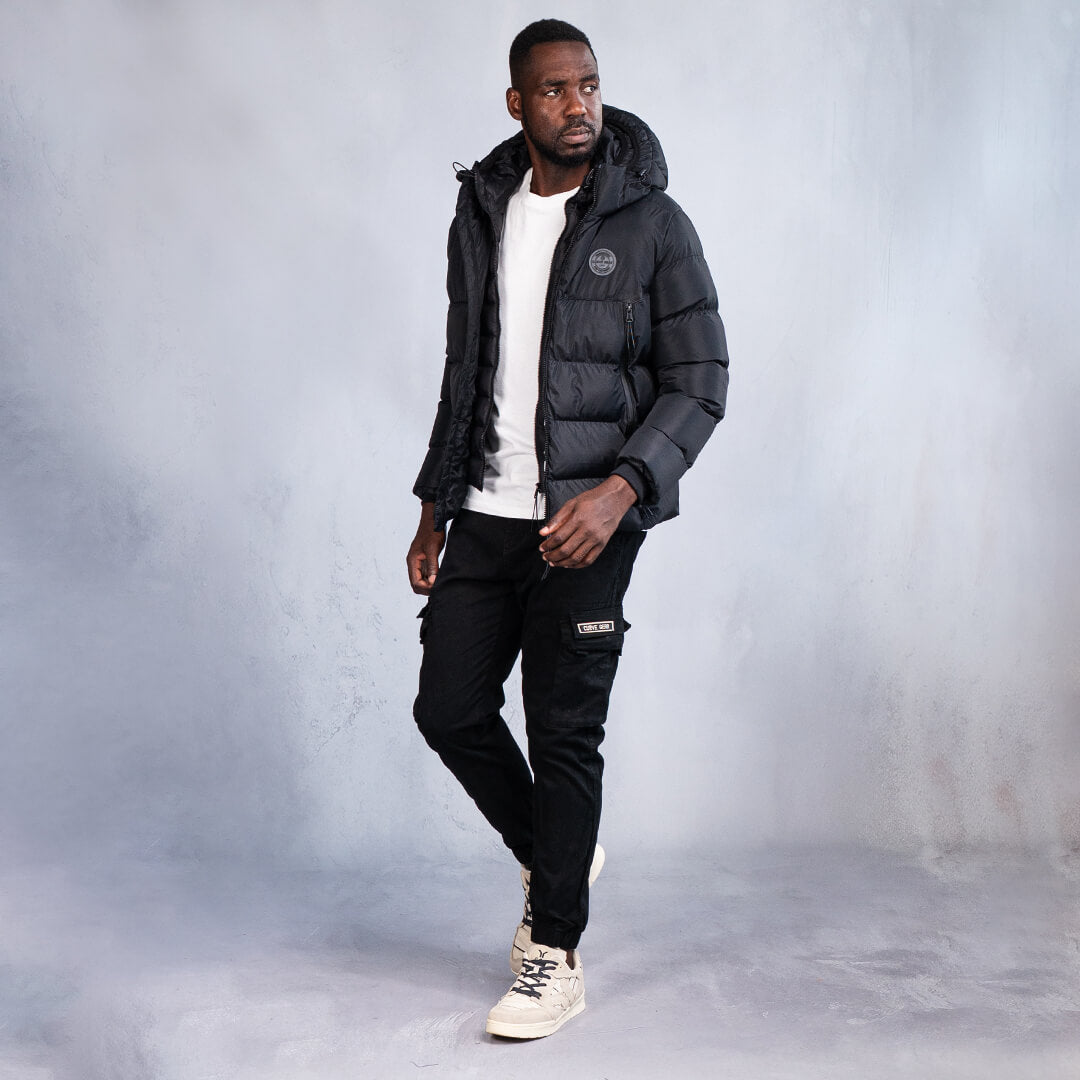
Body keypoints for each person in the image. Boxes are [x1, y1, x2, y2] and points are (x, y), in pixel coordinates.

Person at [407, 19, 729, 1039]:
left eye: (587, 84)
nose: (576, 103)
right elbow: (465, 373)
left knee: (563, 733)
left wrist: (619, 493)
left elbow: (701, 381)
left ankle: (555, 952)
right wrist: (434, 506)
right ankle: (559, 852)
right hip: (485, 512)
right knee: (448, 708)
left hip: (588, 520)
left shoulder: (654, 222)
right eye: (553, 90)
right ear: (518, 104)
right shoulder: (483, 211)